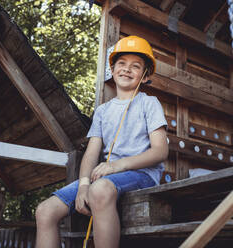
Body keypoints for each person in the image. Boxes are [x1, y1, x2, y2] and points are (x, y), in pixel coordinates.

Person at [35, 35, 169, 248]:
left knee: (100, 189)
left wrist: (116, 166)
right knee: (45, 210)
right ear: (113, 69)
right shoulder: (102, 111)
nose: (127, 69)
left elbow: (161, 151)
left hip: (142, 174)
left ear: (144, 76)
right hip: (104, 177)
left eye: (136, 66)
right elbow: (91, 153)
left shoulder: (149, 103)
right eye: (122, 64)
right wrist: (83, 185)